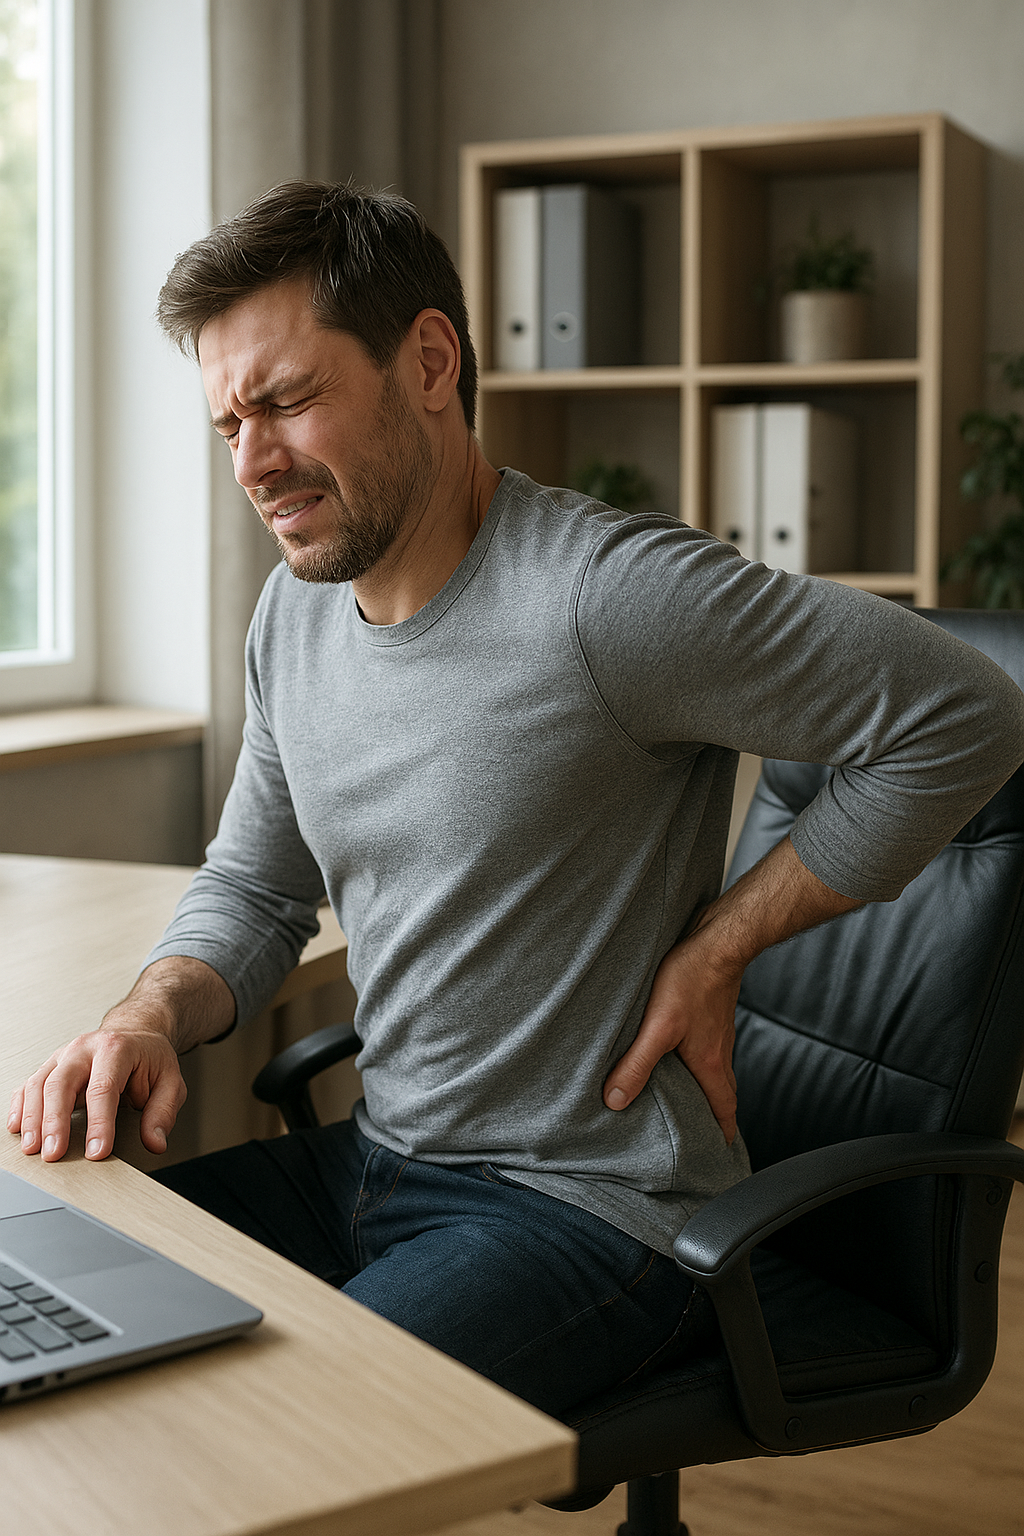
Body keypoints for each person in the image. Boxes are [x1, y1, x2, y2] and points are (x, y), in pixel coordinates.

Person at [10, 183, 1024, 1420]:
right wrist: (149, 1018)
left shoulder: (608, 598)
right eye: (229, 423)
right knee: (60, 1295)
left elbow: (969, 715)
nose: (253, 463)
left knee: (269, 1434)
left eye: (286, 400)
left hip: (586, 1209)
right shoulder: (293, 615)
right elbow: (257, 886)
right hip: (379, 1160)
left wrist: (723, 941)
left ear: (429, 362)